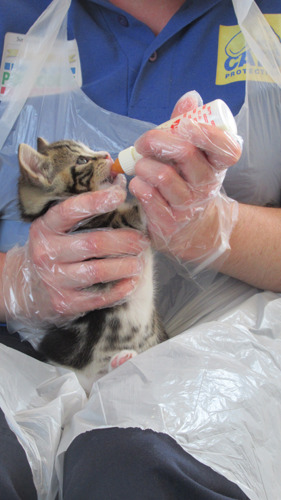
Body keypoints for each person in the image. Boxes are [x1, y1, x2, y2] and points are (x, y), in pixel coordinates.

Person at [0, 0, 280, 498]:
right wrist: (17, 282)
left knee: (134, 468)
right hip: (24, 344)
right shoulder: (17, 15)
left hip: (238, 346)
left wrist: (218, 228)